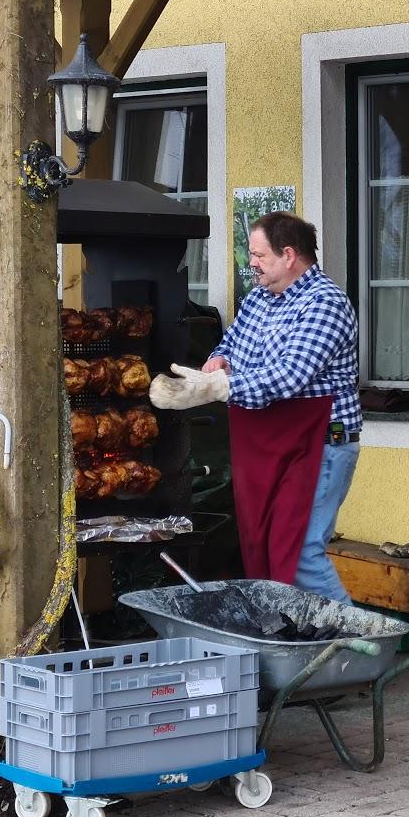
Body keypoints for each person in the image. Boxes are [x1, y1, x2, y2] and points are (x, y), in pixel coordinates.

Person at [150, 212, 360, 602]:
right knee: (264, 549)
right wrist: (218, 362)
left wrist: (218, 388)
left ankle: (358, 648)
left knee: (301, 554)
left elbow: (288, 376)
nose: (252, 263)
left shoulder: (326, 304)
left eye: (259, 254)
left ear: (289, 255)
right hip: (272, 445)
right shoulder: (260, 297)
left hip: (321, 446)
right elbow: (230, 345)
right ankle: (299, 648)